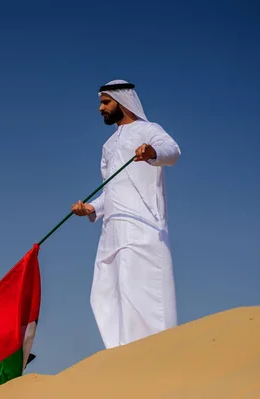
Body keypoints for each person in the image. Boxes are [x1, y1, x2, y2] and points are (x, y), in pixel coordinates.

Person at [71, 79, 181, 349]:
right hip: (113, 232)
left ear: (122, 102)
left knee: (138, 292)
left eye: (105, 102)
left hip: (143, 228)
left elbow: (173, 151)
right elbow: (113, 191)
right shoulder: (108, 146)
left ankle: (148, 354)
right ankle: (120, 354)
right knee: (105, 292)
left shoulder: (148, 130)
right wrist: (91, 207)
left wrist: (152, 151)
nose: (100, 108)